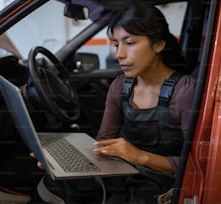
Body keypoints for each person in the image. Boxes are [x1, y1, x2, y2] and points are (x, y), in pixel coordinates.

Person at [31, 2, 196, 204]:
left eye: (130, 43)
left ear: (159, 45)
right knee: (54, 182)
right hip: (125, 174)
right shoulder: (120, 86)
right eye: (117, 44)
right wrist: (61, 160)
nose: (119, 54)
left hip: (163, 185)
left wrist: (139, 156)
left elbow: (197, 167)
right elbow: (103, 143)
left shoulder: (185, 91)